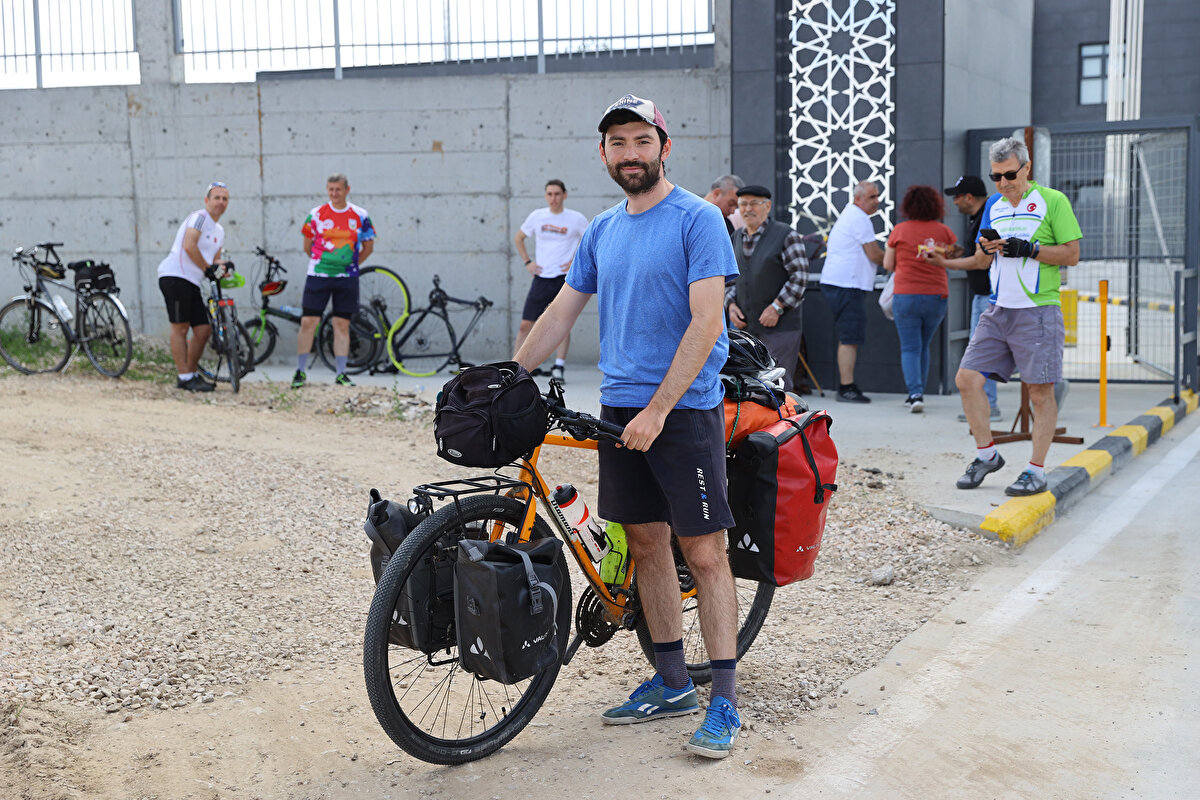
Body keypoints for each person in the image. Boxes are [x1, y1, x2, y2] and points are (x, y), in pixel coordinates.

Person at [514, 93, 743, 759]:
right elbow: (561, 312)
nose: (630, 154)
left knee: (704, 555)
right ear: (604, 154)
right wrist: (504, 373)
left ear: (663, 148)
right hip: (620, 409)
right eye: (618, 143)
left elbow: (706, 323)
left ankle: (724, 700)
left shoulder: (697, 219)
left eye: (641, 141)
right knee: (644, 544)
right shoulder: (605, 230)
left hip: (683, 410)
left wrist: (659, 409)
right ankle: (672, 681)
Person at [933, 137, 1082, 497]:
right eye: (996, 176)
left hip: (1038, 310)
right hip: (997, 308)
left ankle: (1036, 471)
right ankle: (987, 455)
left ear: (1027, 168)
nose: (1003, 183)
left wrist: (1029, 249)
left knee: (1040, 392)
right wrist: (986, 249)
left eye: (1009, 174)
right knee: (967, 379)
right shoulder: (995, 206)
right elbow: (984, 261)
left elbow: (1072, 255)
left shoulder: (1053, 201)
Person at [292, 173, 376, 389]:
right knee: (308, 322)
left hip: (347, 278)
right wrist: (324, 262)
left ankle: (341, 373)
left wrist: (351, 264)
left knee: (342, 324)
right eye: (330, 189)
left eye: (338, 189)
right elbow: (307, 245)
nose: (334, 193)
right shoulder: (317, 214)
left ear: (347, 189)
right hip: (318, 276)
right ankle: (300, 372)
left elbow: (368, 246)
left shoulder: (360, 215)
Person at [882, 185, 959, 412]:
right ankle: (919, 393)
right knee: (924, 345)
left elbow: (888, 264)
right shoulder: (944, 232)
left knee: (910, 347)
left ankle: (914, 394)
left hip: (906, 295)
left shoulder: (900, 230)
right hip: (937, 295)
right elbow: (954, 254)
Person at [725, 184, 808, 392]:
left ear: (768, 206)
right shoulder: (736, 237)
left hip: (780, 328)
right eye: (743, 204)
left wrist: (777, 307)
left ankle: (784, 423)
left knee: (779, 383)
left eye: (754, 203)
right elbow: (729, 281)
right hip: (746, 328)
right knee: (750, 386)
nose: (747, 209)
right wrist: (730, 305)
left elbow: (800, 277)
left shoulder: (786, 235)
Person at [156, 181, 232, 393]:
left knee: (203, 329)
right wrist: (207, 268)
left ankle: (190, 374)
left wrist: (224, 267)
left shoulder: (219, 230)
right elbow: (189, 245)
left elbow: (215, 260)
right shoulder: (199, 218)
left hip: (192, 281)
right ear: (207, 200)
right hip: (175, 276)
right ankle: (185, 377)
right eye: (216, 198)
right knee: (180, 327)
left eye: (225, 199)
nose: (221, 202)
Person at [513, 179, 589, 383]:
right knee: (525, 325)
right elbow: (519, 238)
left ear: (564, 195)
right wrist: (528, 262)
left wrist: (575, 262)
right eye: (549, 194)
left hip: (564, 280)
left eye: (557, 194)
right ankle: (515, 367)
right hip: (541, 278)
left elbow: (591, 242)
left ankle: (558, 368)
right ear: (545, 196)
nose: (553, 198)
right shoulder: (537, 216)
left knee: (562, 324)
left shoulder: (575, 218)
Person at [941, 175, 1001, 420]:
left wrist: (944, 262)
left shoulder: (987, 215)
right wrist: (958, 253)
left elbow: (981, 260)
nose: (954, 203)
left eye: (956, 197)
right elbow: (976, 254)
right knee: (984, 351)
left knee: (982, 352)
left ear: (968, 197)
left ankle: (988, 407)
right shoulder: (978, 218)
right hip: (983, 296)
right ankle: (986, 405)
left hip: (989, 296)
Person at [819, 181, 884, 402]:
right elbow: (875, 254)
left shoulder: (852, 215)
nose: (877, 201)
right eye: (872, 197)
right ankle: (846, 387)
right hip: (847, 285)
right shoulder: (859, 217)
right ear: (858, 199)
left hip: (842, 283)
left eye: (877, 196)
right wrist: (899, 261)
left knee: (849, 337)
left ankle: (847, 385)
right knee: (849, 337)